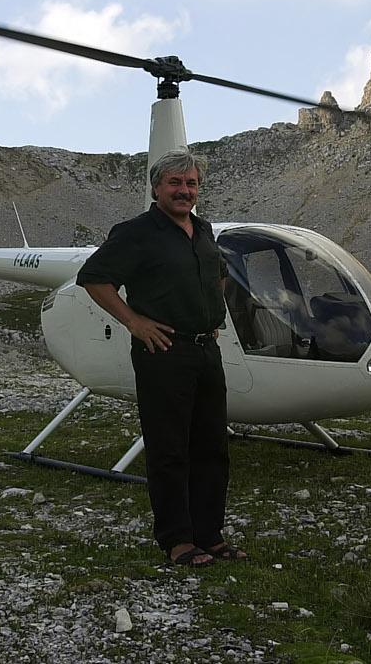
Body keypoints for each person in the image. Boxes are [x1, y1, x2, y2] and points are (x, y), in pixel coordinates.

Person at [77, 148, 247, 568]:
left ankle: (210, 535)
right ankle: (177, 541)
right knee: (170, 448)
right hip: (164, 352)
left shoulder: (203, 230)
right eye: (175, 183)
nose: (184, 191)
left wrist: (210, 312)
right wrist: (135, 322)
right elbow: (94, 278)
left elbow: (219, 273)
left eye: (190, 183)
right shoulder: (137, 232)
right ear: (156, 187)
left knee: (212, 447)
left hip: (206, 349)